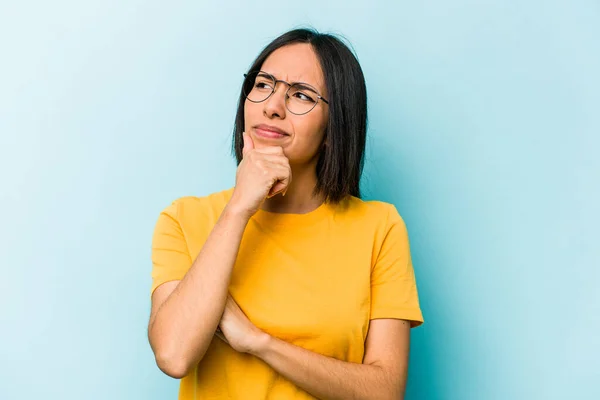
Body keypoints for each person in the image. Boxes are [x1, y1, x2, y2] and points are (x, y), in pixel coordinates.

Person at [148, 28, 424, 400]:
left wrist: (258, 342)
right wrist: (239, 208)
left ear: (333, 126)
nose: (272, 105)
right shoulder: (184, 219)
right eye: (263, 85)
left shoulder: (379, 228)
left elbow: (384, 392)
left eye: (300, 95)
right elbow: (173, 354)